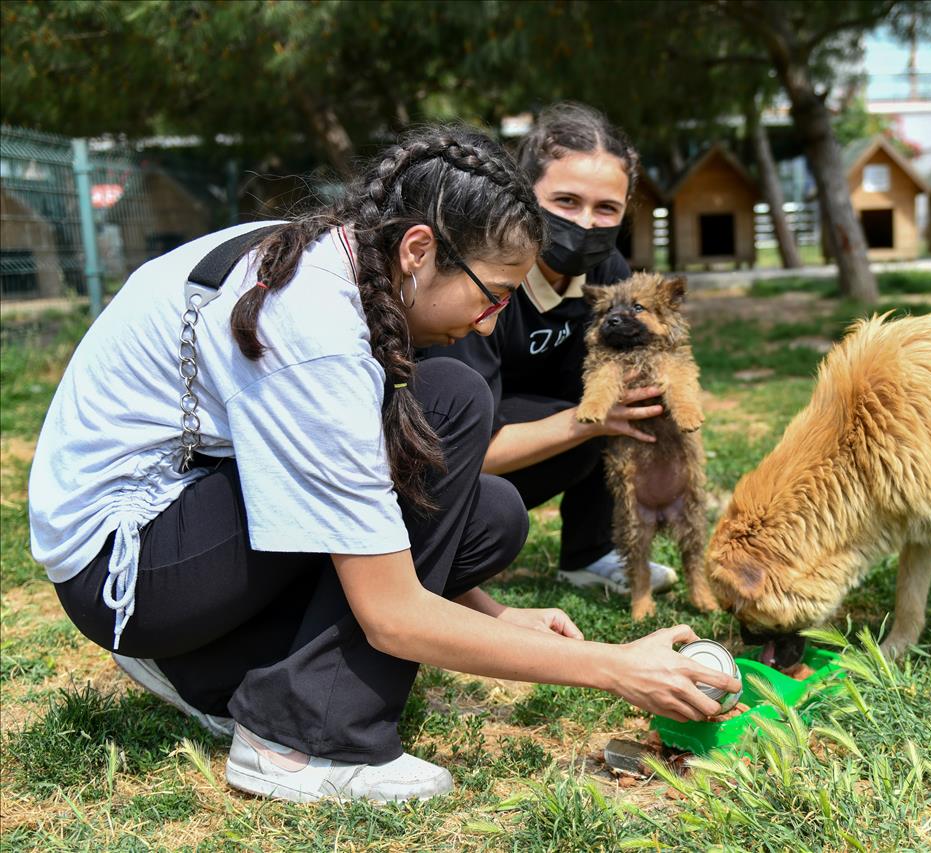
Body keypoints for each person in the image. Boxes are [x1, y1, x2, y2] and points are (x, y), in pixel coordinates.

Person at [27, 124, 738, 804]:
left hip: (185, 528)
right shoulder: (315, 330)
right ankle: (301, 739)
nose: (491, 322)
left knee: (488, 508)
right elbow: (392, 612)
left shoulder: (350, 265)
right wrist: (617, 667)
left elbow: (375, 511)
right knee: (454, 401)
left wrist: (499, 615)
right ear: (419, 248)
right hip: (129, 564)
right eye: (491, 294)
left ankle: (206, 664)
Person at [422, 103, 678, 596]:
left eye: (607, 208)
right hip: (445, 457)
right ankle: (445, 540)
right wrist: (590, 420)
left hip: (537, 426)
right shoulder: (480, 275)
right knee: (602, 413)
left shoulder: (607, 275)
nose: (586, 223)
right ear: (524, 193)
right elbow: (452, 451)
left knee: (633, 396)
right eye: (565, 201)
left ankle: (591, 553)